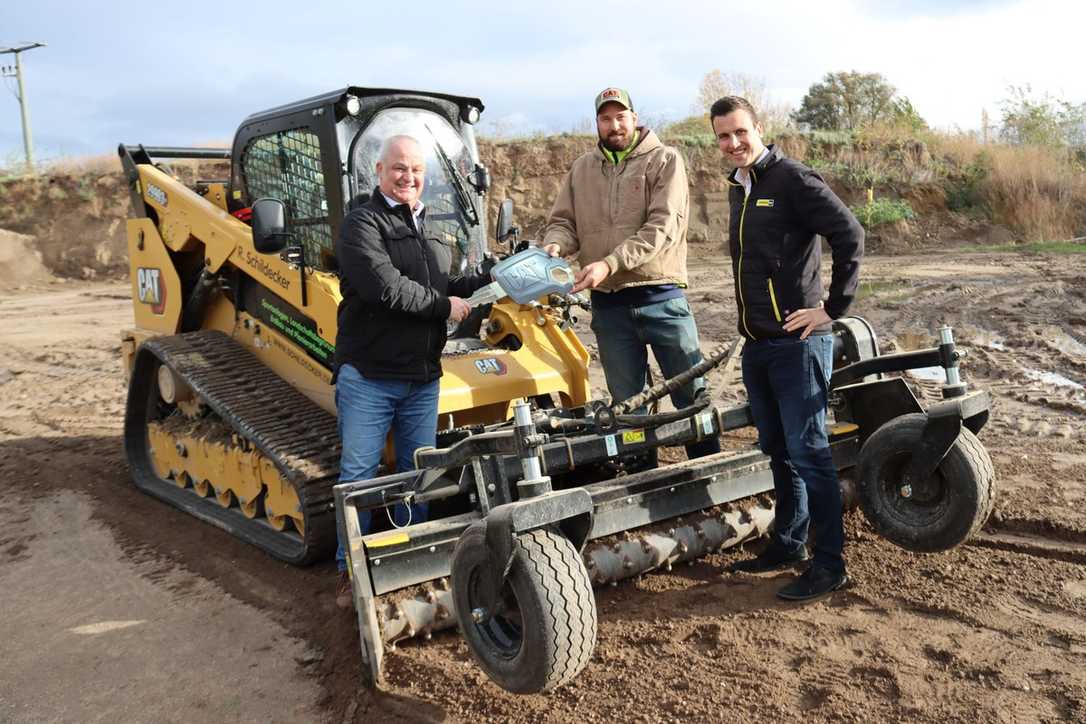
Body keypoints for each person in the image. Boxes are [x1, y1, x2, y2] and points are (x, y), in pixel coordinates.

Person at [710, 96, 864, 601]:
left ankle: (829, 564)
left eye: (740, 132)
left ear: (759, 128)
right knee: (778, 450)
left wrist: (833, 308)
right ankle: (789, 542)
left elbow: (850, 233)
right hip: (759, 345)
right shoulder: (741, 188)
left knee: (809, 453)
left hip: (799, 344)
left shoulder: (792, 179)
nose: (733, 143)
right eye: (723, 136)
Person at [332, 134, 489, 609]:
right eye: (399, 167)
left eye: (417, 169)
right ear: (379, 171)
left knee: (418, 472)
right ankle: (351, 571)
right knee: (360, 476)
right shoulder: (361, 224)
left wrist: (494, 279)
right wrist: (446, 306)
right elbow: (386, 288)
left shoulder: (429, 229)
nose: (409, 177)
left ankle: (409, 558)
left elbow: (445, 284)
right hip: (370, 376)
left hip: (422, 378)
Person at [542, 87, 721, 463]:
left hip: (662, 299)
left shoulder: (665, 160)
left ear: (635, 118)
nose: (614, 125)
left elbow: (661, 228)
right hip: (609, 307)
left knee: (691, 398)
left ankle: (710, 471)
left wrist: (609, 263)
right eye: (605, 119)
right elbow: (564, 222)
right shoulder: (582, 169)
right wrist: (556, 244)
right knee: (628, 409)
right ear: (597, 123)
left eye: (620, 116)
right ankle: (642, 478)